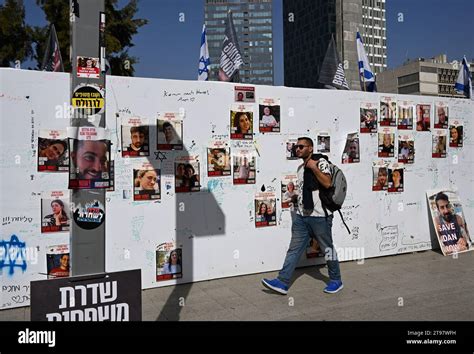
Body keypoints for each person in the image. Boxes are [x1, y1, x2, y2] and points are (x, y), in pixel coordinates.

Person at [262, 137, 343, 295]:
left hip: (320, 217)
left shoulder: (320, 163)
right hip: (301, 216)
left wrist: (313, 167)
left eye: (301, 146)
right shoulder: (300, 168)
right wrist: (295, 197)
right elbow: (307, 191)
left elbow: (327, 183)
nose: (297, 149)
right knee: (294, 249)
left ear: (310, 148)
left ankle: (336, 280)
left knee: (327, 249)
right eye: (296, 147)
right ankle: (282, 282)